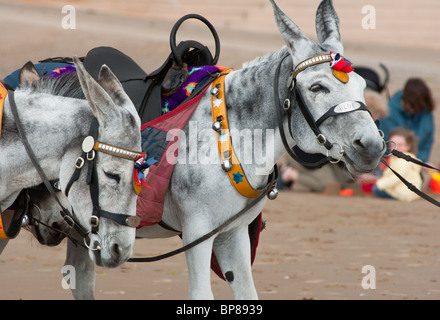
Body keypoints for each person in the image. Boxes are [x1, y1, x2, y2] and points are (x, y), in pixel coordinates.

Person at [379, 78, 435, 163]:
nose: (413, 110)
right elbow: (386, 145)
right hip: (392, 162)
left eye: (418, 108)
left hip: (416, 163)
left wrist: (421, 162)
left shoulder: (425, 113)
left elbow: (427, 143)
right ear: (404, 100)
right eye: (411, 106)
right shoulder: (389, 113)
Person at [373, 127, 422, 201]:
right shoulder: (397, 159)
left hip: (404, 192)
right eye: (393, 145)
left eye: (400, 145)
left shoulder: (403, 160)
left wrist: (380, 183)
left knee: (376, 189)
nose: (395, 148)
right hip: (410, 190)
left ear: (408, 146)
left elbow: (397, 177)